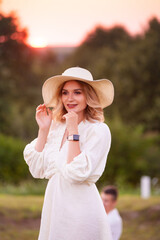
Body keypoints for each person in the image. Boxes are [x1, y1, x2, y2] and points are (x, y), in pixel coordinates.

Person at [23, 67, 114, 240]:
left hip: (81, 210)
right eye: (65, 93)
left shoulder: (98, 130)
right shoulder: (57, 128)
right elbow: (37, 169)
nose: (70, 98)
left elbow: (76, 173)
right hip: (55, 207)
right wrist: (44, 129)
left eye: (77, 92)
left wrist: (73, 131)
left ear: (89, 96)